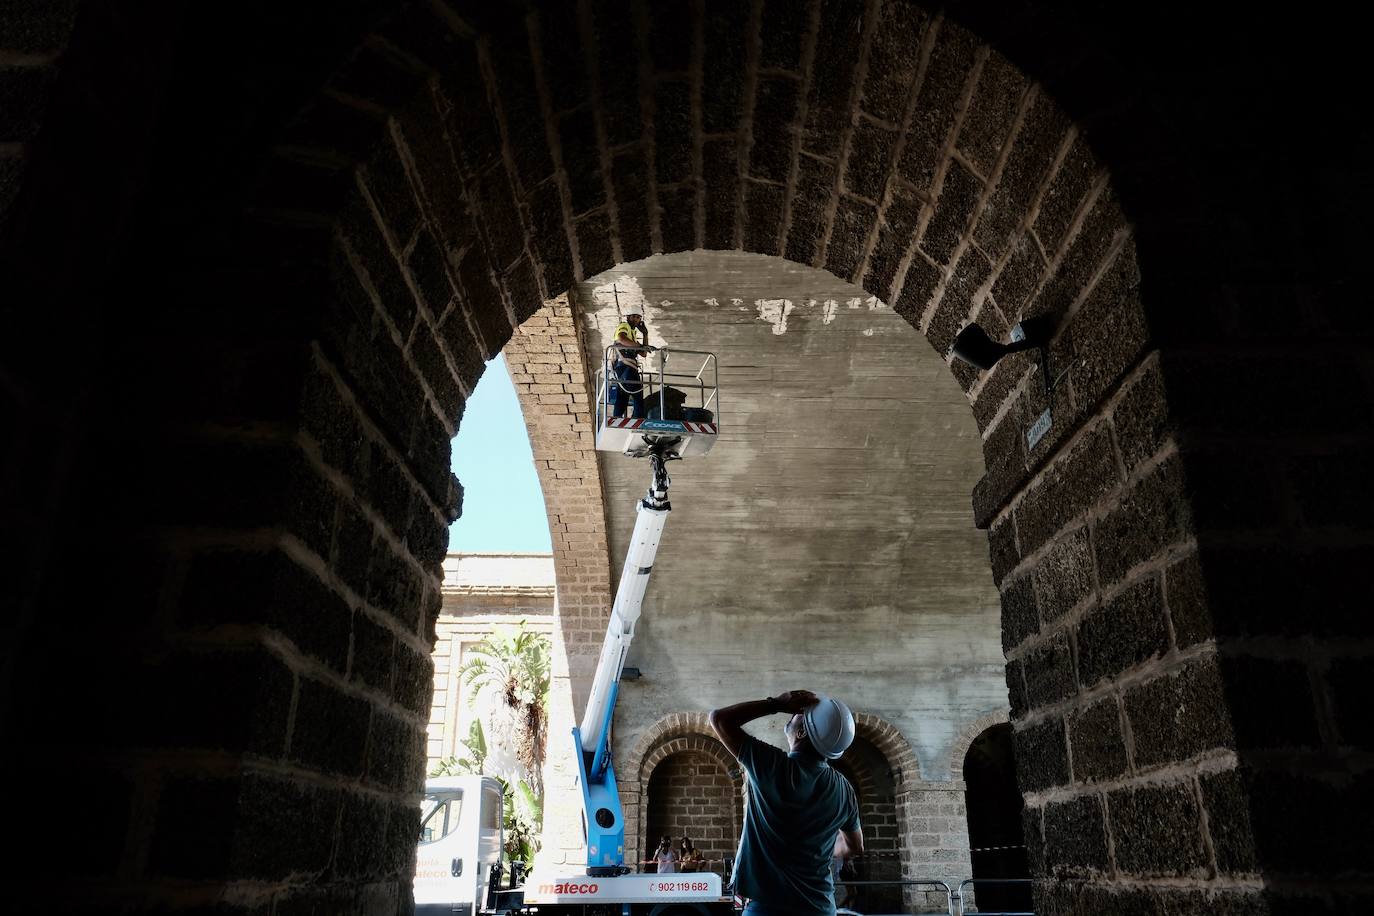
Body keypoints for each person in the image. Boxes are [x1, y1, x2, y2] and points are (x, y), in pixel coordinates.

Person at [709, 690, 864, 916]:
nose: (793, 715)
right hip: (821, 909)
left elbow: (719, 719)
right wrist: (822, 849)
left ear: (801, 732)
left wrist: (777, 703)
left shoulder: (772, 767)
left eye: (798, 715)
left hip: (768, 908)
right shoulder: (844, 789)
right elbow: (855, 847)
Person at [609, 312, 655, 419]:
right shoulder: (624, 326)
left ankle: (616, 418)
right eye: (634, 316)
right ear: (628, 317)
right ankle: (638, 419)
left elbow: (643, 353)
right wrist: (640, 346)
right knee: (637, 395)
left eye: (638, 317)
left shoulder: (633, 334)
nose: (636, 319)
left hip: (625, 368)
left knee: (623, 396)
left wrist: (645, 334)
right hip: (625, 367)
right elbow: (621, 339)